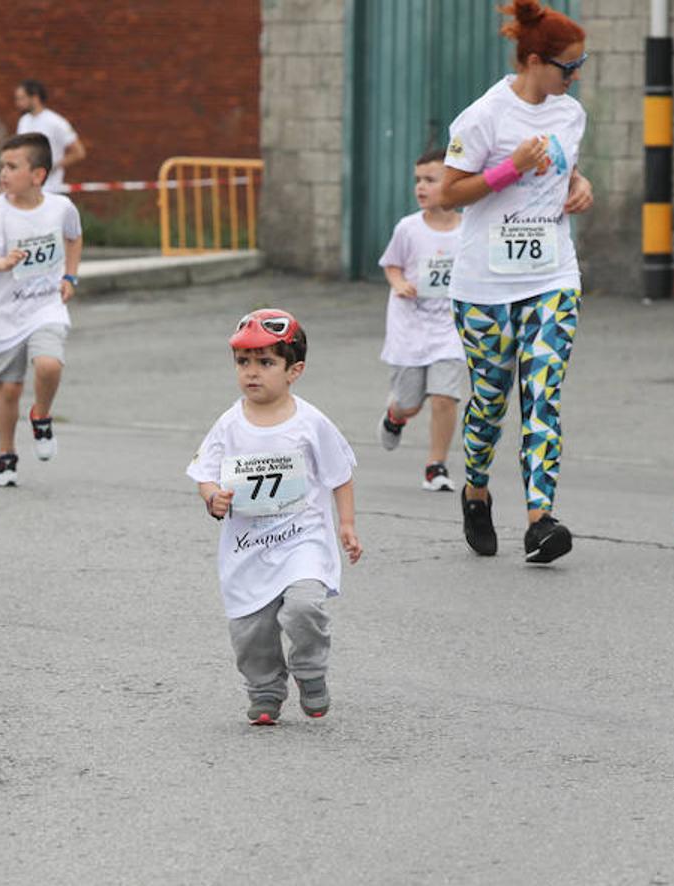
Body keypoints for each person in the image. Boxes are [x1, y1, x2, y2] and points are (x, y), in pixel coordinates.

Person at [440, 0, 594, 563]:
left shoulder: (569, 115)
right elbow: (447, 192)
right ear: (534, 61)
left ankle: (540, 520)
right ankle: (476, 490)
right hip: (485, 284)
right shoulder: (485, 116)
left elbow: (566, 170)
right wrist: (509, 169)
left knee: (543, 394)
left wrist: (580, 186)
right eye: (568, 68)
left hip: (552, 274)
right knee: (490, 396)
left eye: (580, 67)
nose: (574, 78)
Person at [187, 309, 363, 726]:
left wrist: (347, 525)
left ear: (293, 370)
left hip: (302, 539)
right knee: (251, 631)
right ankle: (265, 688)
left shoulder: (311, 422)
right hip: (248, 546)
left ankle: (311, 669)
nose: (252, 373)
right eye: (243, 362)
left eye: (266, 363)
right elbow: (204, 472)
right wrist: (212, 497)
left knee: (304, 607)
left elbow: (340, 474)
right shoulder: (229, 424)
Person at [0, 133, 83, 487]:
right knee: (9, 389)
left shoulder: (61, 207)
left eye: (12, 167)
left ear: (38, 175)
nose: (3, 174)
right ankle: (6, 454)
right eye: (2, 166)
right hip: (5, 315)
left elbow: (74, 236)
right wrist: (2, 263)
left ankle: (42, 416)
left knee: (48, 364)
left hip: (46, 306)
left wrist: (70, 276)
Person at [376, 145, 466, 492]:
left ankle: (436, 466)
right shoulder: (409, 229)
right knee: (411, 404)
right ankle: (395, 415)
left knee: (445, 397)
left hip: (449, 327)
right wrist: (399, 283)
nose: (421, 187)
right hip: (410, 326)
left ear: (455, 182)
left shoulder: (468, 229)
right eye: (418, 180)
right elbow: (392, 264)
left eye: (431, 179)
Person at [14, 79, 85, 193]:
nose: (18, 103)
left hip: (51, 188)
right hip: (28, 188)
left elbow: (79, 152)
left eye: (22, 98)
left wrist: (52, 166)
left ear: (35, 97)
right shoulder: (23, 121)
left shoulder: (56, 122)